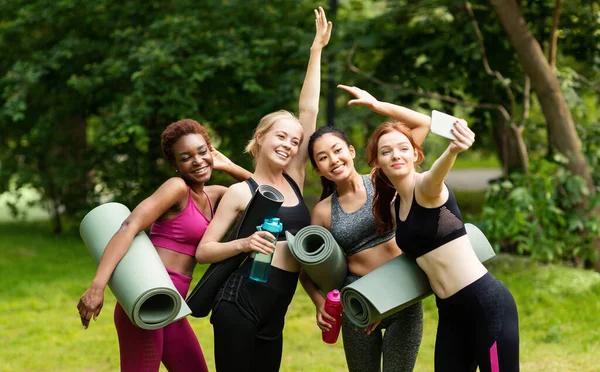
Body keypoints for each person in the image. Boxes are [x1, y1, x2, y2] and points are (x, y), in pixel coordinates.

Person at [195, 7, 332, 372]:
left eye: (295, 140)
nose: (289, 144)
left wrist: (315, 51)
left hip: (277, 307)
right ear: (260, 138)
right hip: (239, 302)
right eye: (280, 136)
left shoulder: (295, 178)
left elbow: (309, 110)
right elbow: (204, 251)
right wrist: (244, 243)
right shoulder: (241, 192)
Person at [77, 118, 251, 372]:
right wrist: (97, 286)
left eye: (203, 152)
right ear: (175, 164)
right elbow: (130, 226)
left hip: (173, 307)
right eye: (186, 157)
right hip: (146, 299)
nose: (198, 161)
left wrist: (229, 165)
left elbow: (265, 195)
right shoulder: (177, 188)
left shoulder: (216, 195)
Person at [365, 115, 520, 371]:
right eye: (386, 151)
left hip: (485, 304)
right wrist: (378, 302)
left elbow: (437, 173)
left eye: (404, 148)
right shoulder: (395, 208)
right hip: (449, 313)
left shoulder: (426, 188)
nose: (396, 155)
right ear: (377, 162)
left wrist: (453, 150)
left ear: (416, 154)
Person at [299, 85, 427, 372]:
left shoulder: (384, 179)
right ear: (318, 170)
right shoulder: (322, 211)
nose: (333, 160)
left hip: (404, 296)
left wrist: (376, 105)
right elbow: (305, 272)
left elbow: (422, 124)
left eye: (337, 150)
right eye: (322, 158)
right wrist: (320, 303)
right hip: (359, 306)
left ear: (351, 151)